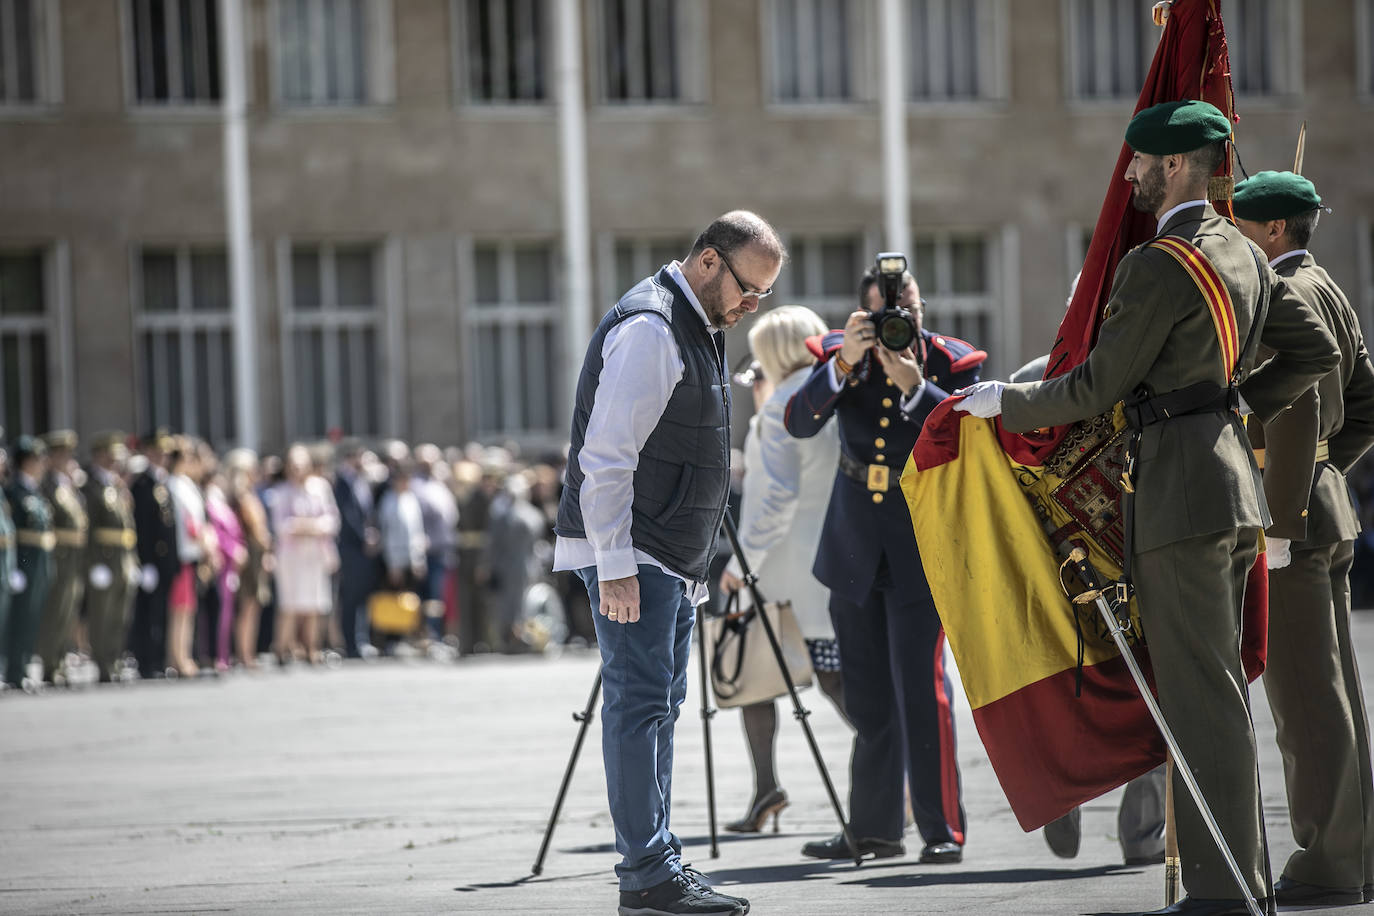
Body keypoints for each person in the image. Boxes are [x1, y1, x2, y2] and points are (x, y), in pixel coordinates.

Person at [954, 100, 1339, 916]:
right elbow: (1312, 350)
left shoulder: (1159, 263)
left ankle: (1223, 895)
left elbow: (1095, 387)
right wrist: (1225, 405)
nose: (1126, 174)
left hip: (1180, 496)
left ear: (1173, 167)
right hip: (1227, 482)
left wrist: (1003, 403)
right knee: (1215, 694)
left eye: (1137, 162)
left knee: (1201, 703)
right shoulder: (1241, 249)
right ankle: (1233, 882)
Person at [553, 210, 785, 916]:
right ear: (709, 262)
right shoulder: (653, 327)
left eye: (763, 298)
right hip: (637, 549)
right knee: (640, 704)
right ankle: (648, 875)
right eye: (749, 289)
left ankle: (658, 865)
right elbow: (605, 458)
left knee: (659, 705)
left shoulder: (695, 325)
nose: (752, 307)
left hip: (665, 554)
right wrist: (616, 562)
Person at [785, 265, 981, 865]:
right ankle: (873, 828)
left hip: (921, 539)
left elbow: (974, 436)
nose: (902, 320)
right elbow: (799, 420)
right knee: (867, 693)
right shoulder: (842, 358)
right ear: (863, 316)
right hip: (854, 538)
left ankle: (941, 828)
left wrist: (919, 389)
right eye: (885, 314)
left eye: (911, 308)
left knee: (923, 689)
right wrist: (842, 363)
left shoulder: (952, 363)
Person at [1232, 171, 1374, 908]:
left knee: (1306, 701)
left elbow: (1288, 411)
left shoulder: (1280, 293)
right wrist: (1326, 474)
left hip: (1289, 513)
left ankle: (1329, 862)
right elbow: (1369, 401)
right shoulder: (1326, 283)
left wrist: (1282, 523)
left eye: (1241, 225)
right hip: (1323, 502)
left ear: (1274, 231)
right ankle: (1357, 852)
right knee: (1335, 690)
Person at [717, 306, 850, 834]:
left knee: (761, 680)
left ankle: (769, 788)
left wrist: (740, 562)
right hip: (825, 562)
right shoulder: (831, 397)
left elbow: (773, 499)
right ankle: (897, 776)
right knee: (831, 676)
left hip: (779, 568)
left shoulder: (779, 409)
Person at [270, 444, 340, 665]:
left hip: (314, 553)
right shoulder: (281, 492)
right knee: (290, 603)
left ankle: (312, 648)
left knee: (314, 602)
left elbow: (331, 520)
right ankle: (283, 648)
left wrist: (310, 526)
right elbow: (280, 526)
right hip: (292, 556)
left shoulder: (320, 488)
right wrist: (301, 526)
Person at [82, 432, 141, 684]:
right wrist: (94, 563)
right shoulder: (90, 487)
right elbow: (89, 529)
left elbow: (128, 527)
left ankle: (114, 661)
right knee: (102, 616)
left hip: (123, 558)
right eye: (111, 456)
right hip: (104, 559)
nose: (116, 461)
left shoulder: (116, 486)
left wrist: (133, 560)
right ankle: (103, 665)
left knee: (120, 615)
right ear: (100, 456)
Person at [35, 429, 87, 683]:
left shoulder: (67, 486)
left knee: (67, 613)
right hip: (59, 557)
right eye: (63, 455)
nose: (68, 460)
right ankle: (50, 663)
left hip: (73, 559)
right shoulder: (46, 486)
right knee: (54, 613)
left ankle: (59, 659)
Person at [129, 430, 180, 679]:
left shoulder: (163, 483)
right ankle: (146, 662)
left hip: (165, 561)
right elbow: (143, 528)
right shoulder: (142, 485)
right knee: (148, 614)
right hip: (151, 561)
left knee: (161, 613)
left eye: (165, 453)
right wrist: (145, 562)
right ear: (148, 453)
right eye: (158, 452)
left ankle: (159, 660)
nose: (162, 457)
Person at [5, 436, 54, 688]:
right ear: (25, 462)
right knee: (21, 618)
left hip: (39, 561)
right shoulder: (14, 491)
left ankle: (23, 667)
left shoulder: (35, 490)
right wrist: (15, 568)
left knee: (34, 617)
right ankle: (15, 670)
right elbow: (12, 531)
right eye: (37, 459)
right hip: (24, 562)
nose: (42, 464)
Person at [165, 438, 210, 677]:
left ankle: (184, 655)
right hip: (183, 552)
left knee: (187, 607)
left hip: (192, 551)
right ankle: (178, 657)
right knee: (180, 607)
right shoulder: (172, 484)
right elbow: (187, 521)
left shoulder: (186, 484)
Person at [224, 449, 272, 670]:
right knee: (247, 606)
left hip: (254, 553)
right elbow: (253, 527)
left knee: (253, 605)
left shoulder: (247, 494)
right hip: (249, 553)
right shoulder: (240, 496)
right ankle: (244, 653)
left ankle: (247, 652)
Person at [333, 439, 378, 658]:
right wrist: (363, 538)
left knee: (362, 595)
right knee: (350, 596)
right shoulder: (341, 482)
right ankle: (350, 643)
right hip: (350, 548)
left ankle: (362, 638)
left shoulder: (361, 481)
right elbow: (348, 516)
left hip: (363, 548)